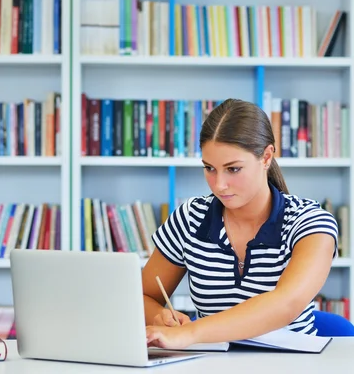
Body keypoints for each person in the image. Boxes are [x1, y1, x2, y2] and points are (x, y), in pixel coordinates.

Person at [142, 98, 339, 350]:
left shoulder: (310, 222)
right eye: (209, 168)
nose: (219, 184)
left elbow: (285, 305)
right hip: (209, 364)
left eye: (233, 169)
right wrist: (159, 316)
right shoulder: (190, 217)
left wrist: (191, 332)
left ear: (266, 156)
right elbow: (144, 296)